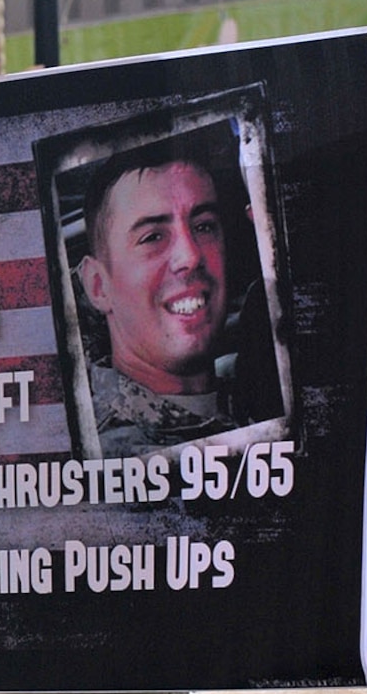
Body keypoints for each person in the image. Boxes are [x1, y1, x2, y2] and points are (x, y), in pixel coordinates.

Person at [75, 139, 274, 456]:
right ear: (99, 286)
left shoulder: (255, 394)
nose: (190, 256)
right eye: (152, 237)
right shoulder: (111, 457)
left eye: (204, 226)